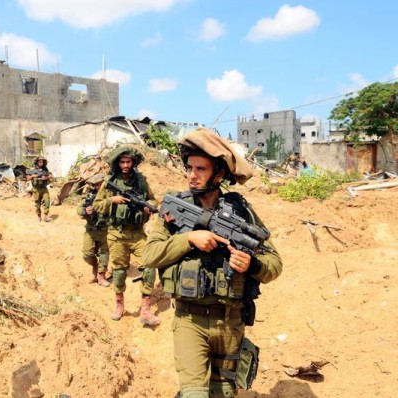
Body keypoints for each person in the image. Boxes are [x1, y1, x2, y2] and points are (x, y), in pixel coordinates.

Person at [143, 127, 283, 398]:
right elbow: (149, 255)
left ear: (218, 174)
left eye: (201, 169)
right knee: (194, 394)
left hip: (230, 322)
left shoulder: (240, 212)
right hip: (189, 320)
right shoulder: (176, 208)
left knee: (223, 394)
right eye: (189, 167)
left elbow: (274, 262)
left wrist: (251, 266)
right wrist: (189, 239)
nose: (192, 175)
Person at [92, 145, 161, 326]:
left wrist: (147, 206)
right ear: (117, 163)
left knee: (148, 266)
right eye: (122, 162)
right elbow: (97, 205)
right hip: (117, 234)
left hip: (138, 233)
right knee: (120, 271)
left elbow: (153, 199)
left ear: (133, 163)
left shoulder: (140, 181)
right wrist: (112, 200)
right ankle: (119, 304)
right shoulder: (110, 182)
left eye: (128, 161)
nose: (125, 165)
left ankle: (145, 309)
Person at [77, 174, 110, 287]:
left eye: (101, 184)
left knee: (104, 254)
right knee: (87, 254)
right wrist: (86, 211)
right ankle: (94, 267)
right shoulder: (89, 197)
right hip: (90, 230)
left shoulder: (110, 197)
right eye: (97, 185)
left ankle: (101, 276)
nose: (99, 186)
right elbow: (79, 210)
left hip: (105, 230)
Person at [27, 156, 53, 222]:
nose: (41, 163)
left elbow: (50, 176)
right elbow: (27, 178)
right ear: (37, 162)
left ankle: (46, 217)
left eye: (42, 162)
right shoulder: (32, 169)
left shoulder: (45, 169)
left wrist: (46, 177)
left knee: (47, 202)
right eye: (40, 162)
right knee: (37, 204)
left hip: (44, 188)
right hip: (36, 189)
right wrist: (33, 176)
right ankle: (39, 216)